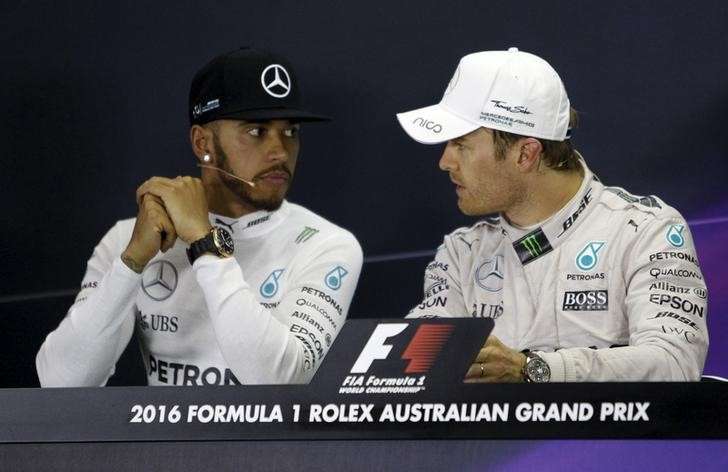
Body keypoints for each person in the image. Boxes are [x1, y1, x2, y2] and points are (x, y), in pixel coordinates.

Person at [36, 47, 363, 386]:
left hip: (270, 442)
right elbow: (61, 382)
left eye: (291, 131)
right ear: (201, 141)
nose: (280, 151)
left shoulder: (328, 245)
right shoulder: (128, 239)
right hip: (164, 440)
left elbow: (281, 382)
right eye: (257, 131)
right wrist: (131, 263)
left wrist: (204, 242)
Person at [396, 47, 707, 382]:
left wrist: (534, 370)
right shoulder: (462, 254)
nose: (445, 162)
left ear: (526, 154)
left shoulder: (645, 231)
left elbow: (675, 362)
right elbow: (417, 371)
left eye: (461, 145)